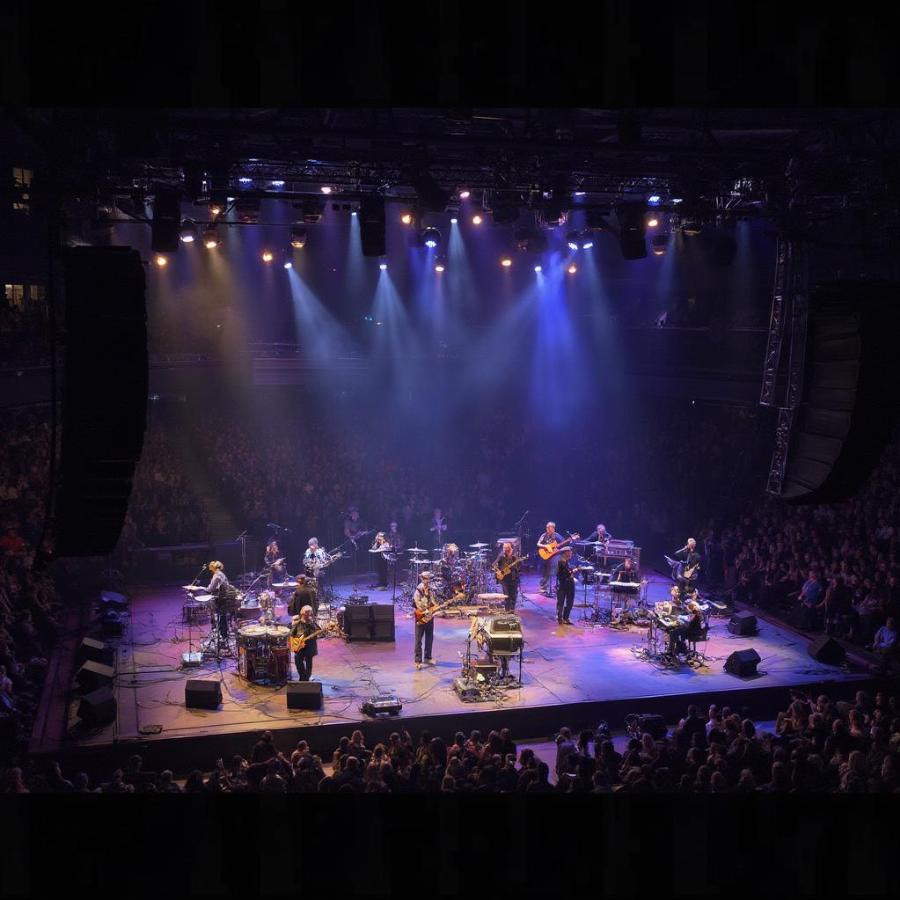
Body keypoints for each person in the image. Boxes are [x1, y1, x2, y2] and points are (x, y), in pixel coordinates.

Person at [413, 571, 439, 670]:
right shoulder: (418, 590)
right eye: (426, 578)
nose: (428, 580)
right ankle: (418, 661)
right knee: (418, 639)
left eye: (429, 579)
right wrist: (427, 609)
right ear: (422, 579)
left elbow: (432, 600)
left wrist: (436, 606)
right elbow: (418, 604)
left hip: (429, 616)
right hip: (421, 616)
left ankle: (428, 657)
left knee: (429, 637)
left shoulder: (430, 589)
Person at [205, 560, 231, 642]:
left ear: (213, 568)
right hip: (224, 598)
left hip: (221, 600)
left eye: (211, 569)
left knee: (220, 617)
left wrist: (202, 588)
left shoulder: (216, 576)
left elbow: (210, 589)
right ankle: (223, 634)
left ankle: (221, 634)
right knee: (223, 618)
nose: (210, 570)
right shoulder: (221, 574)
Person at [290, 606, 319, 681]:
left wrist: (312, 624)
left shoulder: (312, 623)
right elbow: (291, 634)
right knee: (298, 660)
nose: (309, 613)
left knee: (309, 661)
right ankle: (302, 677)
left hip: (310, 646)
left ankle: (306, 678)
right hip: (300, 646)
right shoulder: (297, 623)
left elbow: (318, 632)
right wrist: (296, 642)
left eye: (310, 611)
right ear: (302, 613)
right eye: (307, 612)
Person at [494, 542, 522, 613]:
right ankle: (507, 610)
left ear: (510, 548)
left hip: (513, 577)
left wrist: (516, 565)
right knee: (506, 595)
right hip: (504, 579)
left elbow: (519, 565)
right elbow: (494, 564)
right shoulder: (501, 555)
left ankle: (512, 610)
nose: (505, 549)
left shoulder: (515, 555)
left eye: (507, 548)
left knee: (513, 594)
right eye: (504, 548)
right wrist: (498, 571)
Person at [537, 522, 563, 596]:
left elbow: (564, 543)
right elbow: (538, 544)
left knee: (554, 568)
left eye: (549, 527)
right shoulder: (544, 535)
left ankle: (556, 587)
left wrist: (558, 549)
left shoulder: (557, 536)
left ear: (553, 528)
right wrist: (546, 546)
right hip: (546, 554)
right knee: (545, 571)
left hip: (555, 555)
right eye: (547, 527)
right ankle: (543, 587)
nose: (547, 529)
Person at [556, 548, 576, 625]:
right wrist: (575, 570)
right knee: (561, 601)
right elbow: (567, 573)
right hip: (564, 583)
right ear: (565, 553)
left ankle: (565, 617)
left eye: (571, 552)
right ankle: (560, 617)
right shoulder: (561, 562)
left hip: (569, 583)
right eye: (569, 552)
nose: (571, 554)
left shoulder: (567, 562)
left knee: (570, 601)